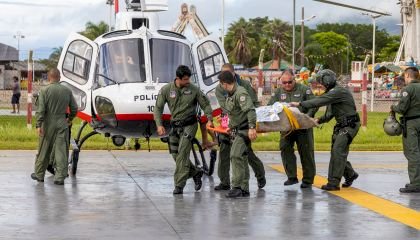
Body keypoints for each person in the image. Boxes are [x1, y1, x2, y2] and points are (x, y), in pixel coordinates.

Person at [289, 69, 359, 191]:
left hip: (349, 125)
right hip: (342, 125)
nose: (319, 84)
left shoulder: (338, 91)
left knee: (338, 151)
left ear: (327, 80)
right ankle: (350, 174)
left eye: (320, 81)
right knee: (337, 152)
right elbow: (330, 113)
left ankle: (333, 183)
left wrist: (300, 104)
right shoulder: (333, 92)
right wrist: (318, 120)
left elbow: (319, 101)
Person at [154, 65, 214, 195]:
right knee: (175, 154)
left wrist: (209, 119)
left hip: (190, 125)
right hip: (174, 126)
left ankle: (179, 185)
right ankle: (195, 172)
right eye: (185, 80)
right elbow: (158, 108)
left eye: (189, 79)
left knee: (182, 154)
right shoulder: (166, 90)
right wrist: (159, 125)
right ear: (178, 78)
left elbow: (206, 105)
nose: (188, 82)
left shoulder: (194, 90)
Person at [213, 63, 266, 191]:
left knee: (245, 153)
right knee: (225, 150)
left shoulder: (244, 86)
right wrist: (227, 123)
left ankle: (259, 175)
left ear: (233, 74)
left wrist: (252, 125)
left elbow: (253, 105)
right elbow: (224, 107)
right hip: (228, 121)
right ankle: (225, 181)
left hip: (243, 122)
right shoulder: (220, 88)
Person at [267, 69, 317, 188]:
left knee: (306, 152)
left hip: (302, 126)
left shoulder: (304, 89)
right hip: (286, 127)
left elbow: (314, 104)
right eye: (284, 83)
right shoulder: (277, 92)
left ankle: (308, 180)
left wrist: (307, 117)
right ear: (280, 82)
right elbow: (270, 107)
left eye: (290, 82)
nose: (287, 85)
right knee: (284, 148)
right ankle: (292, 177)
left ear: (294, 80)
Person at [31, 68, 78, 185]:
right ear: (59, 77)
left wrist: (38, 124)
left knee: (44, 149)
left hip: (47, 123)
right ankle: (60, 177)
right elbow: (74, 108)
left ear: (48, 77)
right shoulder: (67, 91)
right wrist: (69, 119)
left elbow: (41, 110)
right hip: (62, 122)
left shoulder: (44, 90)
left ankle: (39, 174)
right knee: (61, 150)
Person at [217, 70, 258, 198]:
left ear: (224, 84)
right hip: (236, 129)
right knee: (243, 157)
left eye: (220, 84)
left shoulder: (240, 93)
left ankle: (237, 187)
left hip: (244, 130)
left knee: (235, 155)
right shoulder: (231, 93)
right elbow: (235, 112)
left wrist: (252, 128)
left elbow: (250, 110)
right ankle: (245, 188)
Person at [391, 67, 420, 193]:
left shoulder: (408, 89)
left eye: (404, 76)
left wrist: (393, 107)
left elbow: (402, 108)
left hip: (411, 123)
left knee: (412, 152)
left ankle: (416, 183)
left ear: (408, 75)